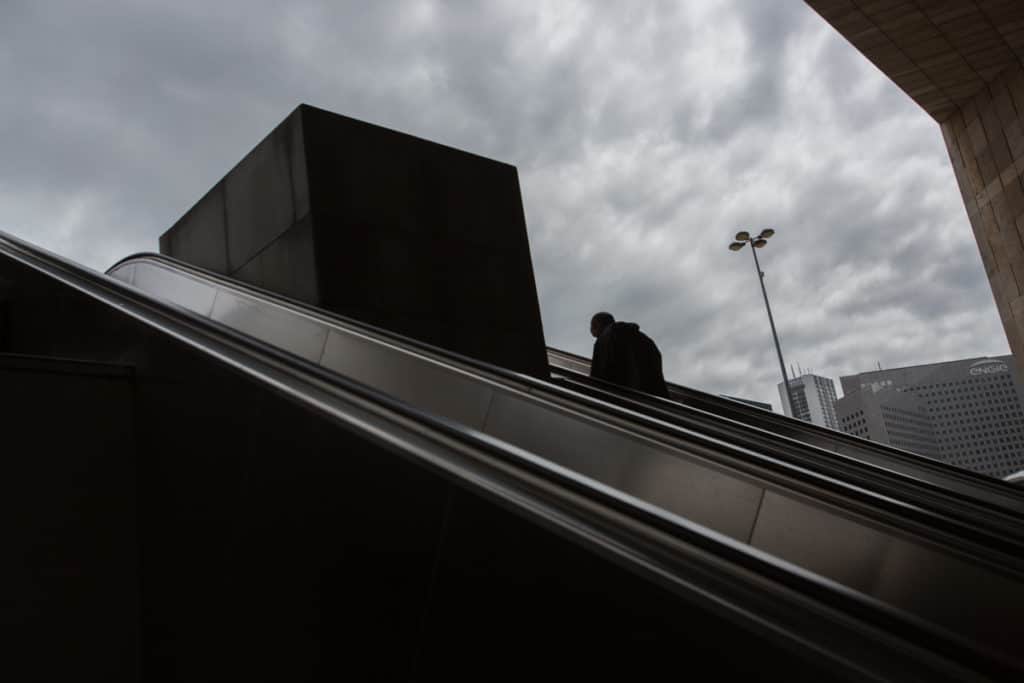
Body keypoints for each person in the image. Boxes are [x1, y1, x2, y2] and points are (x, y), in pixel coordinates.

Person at [589, 312, 670, 398]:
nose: (591, 331)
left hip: (629, 397)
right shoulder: (644, 339)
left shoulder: (604, 340)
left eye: (591, 326)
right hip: (654, 395)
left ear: (596, 325)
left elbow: (599, 375)